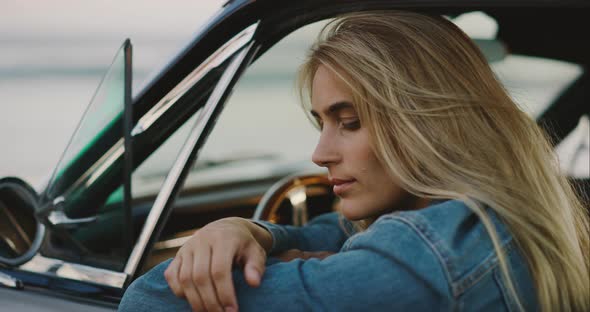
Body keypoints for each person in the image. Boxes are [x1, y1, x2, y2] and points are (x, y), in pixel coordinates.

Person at [119, 11, 589, 312]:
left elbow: (150, 300)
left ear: (426, 122)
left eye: (349, 123)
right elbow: (333, 232)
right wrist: (249, 231)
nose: (321, 154)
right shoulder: (498, 221)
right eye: (321, 123)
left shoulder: (428, 251)